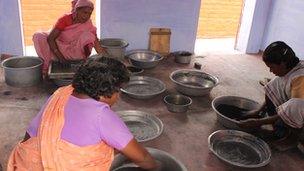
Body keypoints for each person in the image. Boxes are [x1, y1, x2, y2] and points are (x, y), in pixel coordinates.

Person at [7, 57, 158, 170]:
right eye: (117, 91)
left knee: (111, 146)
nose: (118, 97)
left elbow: (29, 134)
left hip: (26, 162)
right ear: (105, 92)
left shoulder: (60, 94)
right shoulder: (102, 116)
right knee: (112, 150)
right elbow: (142, 157)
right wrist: (158, 167)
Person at [238, 41, 304, 150]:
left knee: (295, 107)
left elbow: (294, 109)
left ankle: (292, 140)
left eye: (272, 67)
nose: (270, 71)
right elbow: (272, 89)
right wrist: (258, 111)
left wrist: (258, 122)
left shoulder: (301, 79)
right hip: (297, 107)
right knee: (273, 84)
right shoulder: (291, 68)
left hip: (300, 109)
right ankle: (281, 130)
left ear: (282, 63)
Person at [33, 0, 106, 75]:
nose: (86, 16)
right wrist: (61, 58)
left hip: (76, 53)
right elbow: (50, 38)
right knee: (39, 36)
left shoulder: (88, 25)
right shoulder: (65, 19)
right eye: (84, 12)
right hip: (59, 51)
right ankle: (46, 68)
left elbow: (97, 45)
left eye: (89, 14)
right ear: (77, 10)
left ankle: (78, 62)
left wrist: (109, 60)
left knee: (89, 35)